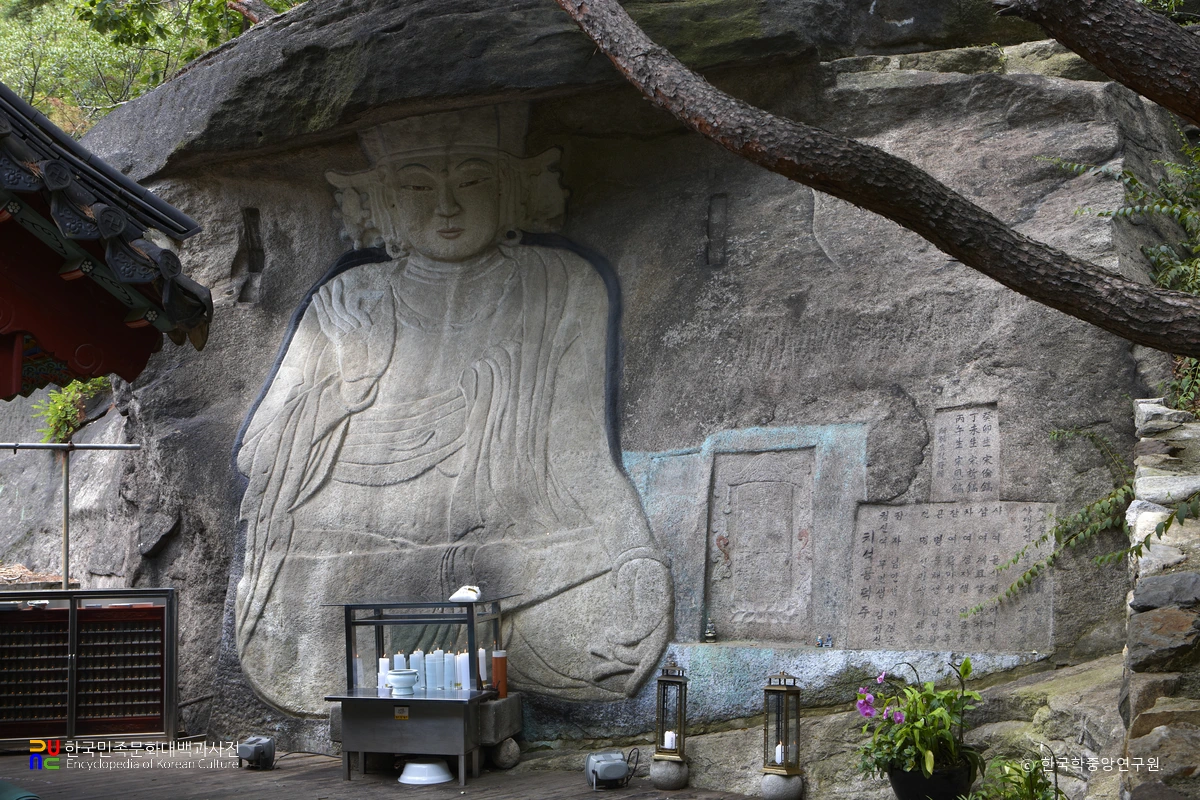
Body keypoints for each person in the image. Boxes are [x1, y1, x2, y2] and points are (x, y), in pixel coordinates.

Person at [234, 107, 673, 714]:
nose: (446, 207)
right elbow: (260, 455)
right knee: (321, 613)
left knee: (604, 620)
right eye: (417, 186)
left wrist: (631, 551)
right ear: (382, 203)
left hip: (511, 542)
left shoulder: (562, 285)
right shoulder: (346, 298)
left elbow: (582, 455)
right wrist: (345, 393)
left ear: (514, 189)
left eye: (471, 182)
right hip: (360, 548)